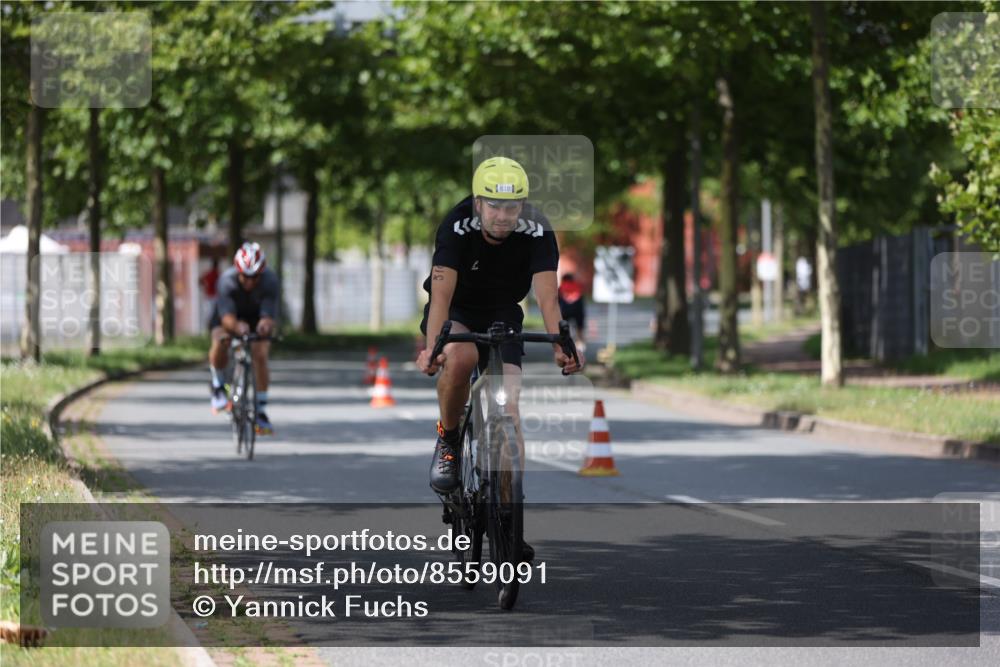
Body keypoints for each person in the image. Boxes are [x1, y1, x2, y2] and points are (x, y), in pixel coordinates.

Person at [415, 157, 584, 561]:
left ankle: (509, 515)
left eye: (512, 207)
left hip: (503, 312)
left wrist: (561, 343)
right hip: (458, 309)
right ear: (478, 203)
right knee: (460, 359)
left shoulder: (537, 229)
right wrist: (433, 348)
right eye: (494, 206)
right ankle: (449, 439)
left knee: (509, 399)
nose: (503, 216)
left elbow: (547, 297)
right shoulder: (456, 225)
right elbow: (440, 295)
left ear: (522, 205)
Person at [207, 242, 279, 434]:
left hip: (256, 318)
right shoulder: (226, 281)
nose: (249, 282)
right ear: (238, 271)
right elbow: (227, 318)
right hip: (228, 317)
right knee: (221, 339)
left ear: (261, 273)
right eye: (245, 276)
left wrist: (265, 325)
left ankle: (261, 411)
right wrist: (238, 327)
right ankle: (218, 385)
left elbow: (268, 316)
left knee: (260, 354)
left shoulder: (270, 281)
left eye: (254, 277)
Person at [558, 272, 587, 358]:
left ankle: (565, 346)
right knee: (579, 329)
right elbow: (581, 300)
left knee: (564, 330)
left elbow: (558, 301)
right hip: (578, 311)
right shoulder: (577, 286)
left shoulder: (561, 287)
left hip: (565, 311)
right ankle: (580, 347)